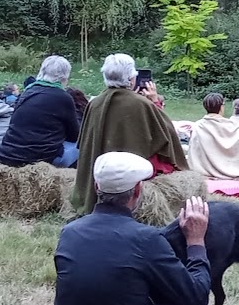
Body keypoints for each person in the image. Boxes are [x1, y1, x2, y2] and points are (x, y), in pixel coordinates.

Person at [28, 153, 211, 305]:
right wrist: (196, 241)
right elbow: (197, 301)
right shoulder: (147, 239)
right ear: (137, 190)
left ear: (97, 186)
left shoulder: (69, 232)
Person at [71, 53, 187, 212]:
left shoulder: (94, 104)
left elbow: (84, 145)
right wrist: (155, 102)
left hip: (100, 170)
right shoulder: (142, 104)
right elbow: (166, 135)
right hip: (134, 170)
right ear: (131, 79)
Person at [0, 56, 81, 169]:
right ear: (65, 76)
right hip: (40, 159)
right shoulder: (63, 97)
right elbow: (75, 135)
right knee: (81, 148)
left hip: (8, 154)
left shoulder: (26, 93)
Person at [187, 92, 239, 180]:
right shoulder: (231, 125)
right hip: (231, 169)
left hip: (202, 170)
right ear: (221, 107)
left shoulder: (197, 126)